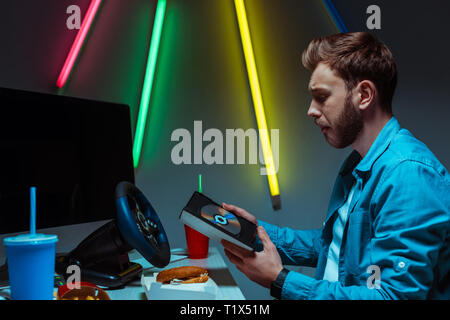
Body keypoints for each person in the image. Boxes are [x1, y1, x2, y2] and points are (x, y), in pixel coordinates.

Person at [220, 32, 449, 300]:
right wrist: (254, 231)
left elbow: (394, 297)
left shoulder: (407, 174)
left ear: (364, 95)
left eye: (321, 96)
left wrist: (281, 281)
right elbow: (337, 247)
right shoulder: (358, 162)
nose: (311, 110)